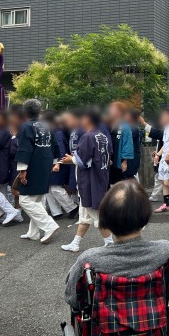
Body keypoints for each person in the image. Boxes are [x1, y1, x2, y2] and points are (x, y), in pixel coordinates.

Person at [64, 179, 169, 309]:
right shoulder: (166, 250)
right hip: (156, 316)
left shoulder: (89, 259)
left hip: (105, 319)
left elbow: (72, 297)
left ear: (105, 219)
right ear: (146, 216)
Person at [61, 108, 113, 252]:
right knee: (85, 215)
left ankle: (110, 243)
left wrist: (71, 159)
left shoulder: (88, 137)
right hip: (100, 178)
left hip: (90, 181)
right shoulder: (102, 136)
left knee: (97, 215)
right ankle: (76, 243)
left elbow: (82, 161)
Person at [15, 99, 60, 244]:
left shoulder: (26, 126)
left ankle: (49, 225)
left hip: (33, 166)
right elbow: (55, 145)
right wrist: (55, 163)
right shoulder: (47, 126)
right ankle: (33, 233)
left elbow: (24, 149)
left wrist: (22, 170)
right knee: (37, 199)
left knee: (25, 200)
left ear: (25, 112)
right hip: (45, 164)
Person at [42, 111, 78, 219]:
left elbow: (61, 150)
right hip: (53, 163)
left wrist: (58, 163)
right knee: (49, 188)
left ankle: (72, 207)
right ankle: (56, 212)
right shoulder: (53, 131)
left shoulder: (57, 133)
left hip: (59, 163)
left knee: (55, 188)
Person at [139, 115, 169, 204]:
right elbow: (164, 144)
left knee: (166, 179)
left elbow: (157, 133)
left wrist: (144, 123)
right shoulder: (166, 129)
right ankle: (166, 201)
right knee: (163, 179)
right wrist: (158, 153)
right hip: (164, 157)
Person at [108, 102, 134, 185]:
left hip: (118, 159)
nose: (110, 111)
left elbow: (127, 144)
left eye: (112, 109)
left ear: (119, 112)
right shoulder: (108, 124)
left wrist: (125, 161)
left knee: (119, 183)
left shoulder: (125, 126)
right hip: (109, 159)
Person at [123, 108, 142, 180]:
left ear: (130, 117)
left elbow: (125, 142)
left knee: (129, 178)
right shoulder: (131, 127)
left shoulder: (133, 128)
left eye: (126, 115)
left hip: (131, 159)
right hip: (131, 158)